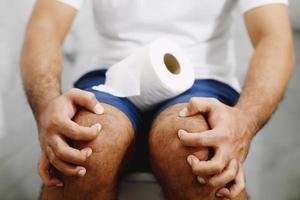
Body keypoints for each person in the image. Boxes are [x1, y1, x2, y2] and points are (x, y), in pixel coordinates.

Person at [21, 0, 294, 199]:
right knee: (84, 145)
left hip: (202, 77)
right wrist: (46, 107)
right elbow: (46, 24)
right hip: (111, 75)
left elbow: (273, 37)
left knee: (196, 148)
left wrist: (244, 120)